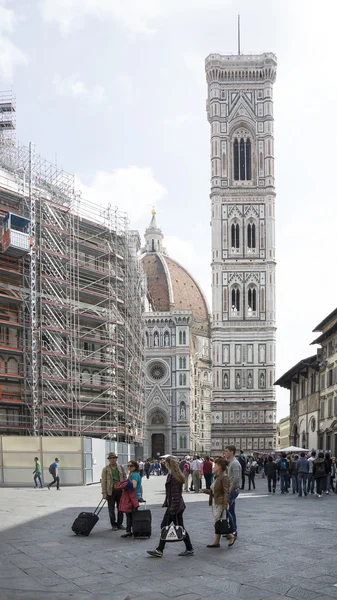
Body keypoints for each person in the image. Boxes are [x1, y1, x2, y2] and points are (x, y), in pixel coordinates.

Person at [147, 456, 194, 558]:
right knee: (171, 526)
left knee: (175, 527)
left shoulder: (174, 477)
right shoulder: (173, 475)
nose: (164, 463)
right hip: (174, 506)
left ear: (168, 464)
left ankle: (160, 550)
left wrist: (173, 509)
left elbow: (176, 495)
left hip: (175, 507)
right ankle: (161, 549)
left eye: (165, 462)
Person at [201, 458, 235, 548]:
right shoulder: (217, 477)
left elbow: (226, 492)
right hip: (214, 502)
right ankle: (217, 541)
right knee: (218, 522)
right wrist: (205, 491)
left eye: (215, 465)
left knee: (218, 521)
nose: (213, 467)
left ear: (219, 466)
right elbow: (215, 491)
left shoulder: (224, 477)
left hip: (220, 503)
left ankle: (230, 536)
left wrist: (225, 505)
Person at [101, 452, 126, 531]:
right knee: (111, 509)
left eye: (114, 458)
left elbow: (124, 477)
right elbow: (103, 481)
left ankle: (120, 524)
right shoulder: (106, 469)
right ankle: (113, 525)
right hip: (110, 491)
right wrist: (104, 493)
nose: (112, 460)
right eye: (111, 458)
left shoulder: (120, 467)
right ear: (109, 460)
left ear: (116, 459)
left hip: (120, 491)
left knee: (121, 508)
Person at [121, 460, 142, 538]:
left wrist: (124, 484)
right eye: (128, 466)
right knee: (130, 514)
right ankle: (130, 530)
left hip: (132, 497)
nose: (129, 467)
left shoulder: (135, 475)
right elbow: (141, 487)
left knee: (130, 514)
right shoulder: (133, 474)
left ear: (135, 467)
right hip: (134, 496)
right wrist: (140, 496)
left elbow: (134, 486)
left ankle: (131, 531)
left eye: (131, 466)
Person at [224, 445, 241, 537]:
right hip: (232, 489)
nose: (225, 453)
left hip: (233, 490)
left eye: (226, 451)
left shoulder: (234, 463)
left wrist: (229, 490)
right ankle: (231, 530)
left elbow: (236, 479)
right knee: (231, 510)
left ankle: (233, 530)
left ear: (231, 452)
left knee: (227, 511)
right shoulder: (231, 463)